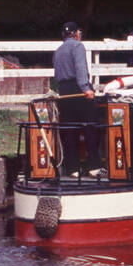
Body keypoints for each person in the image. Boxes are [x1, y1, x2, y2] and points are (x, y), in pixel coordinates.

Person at [53, 22, 104, 177]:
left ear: (64, 35)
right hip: (78, 89)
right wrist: (86, 88)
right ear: (76, 34)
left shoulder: (58, 51)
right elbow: (81, 68)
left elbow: (57, 75)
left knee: (70, 130)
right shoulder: (78, 46)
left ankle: (73, 168)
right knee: (91, 126)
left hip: (64, 91)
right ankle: (94, 166)